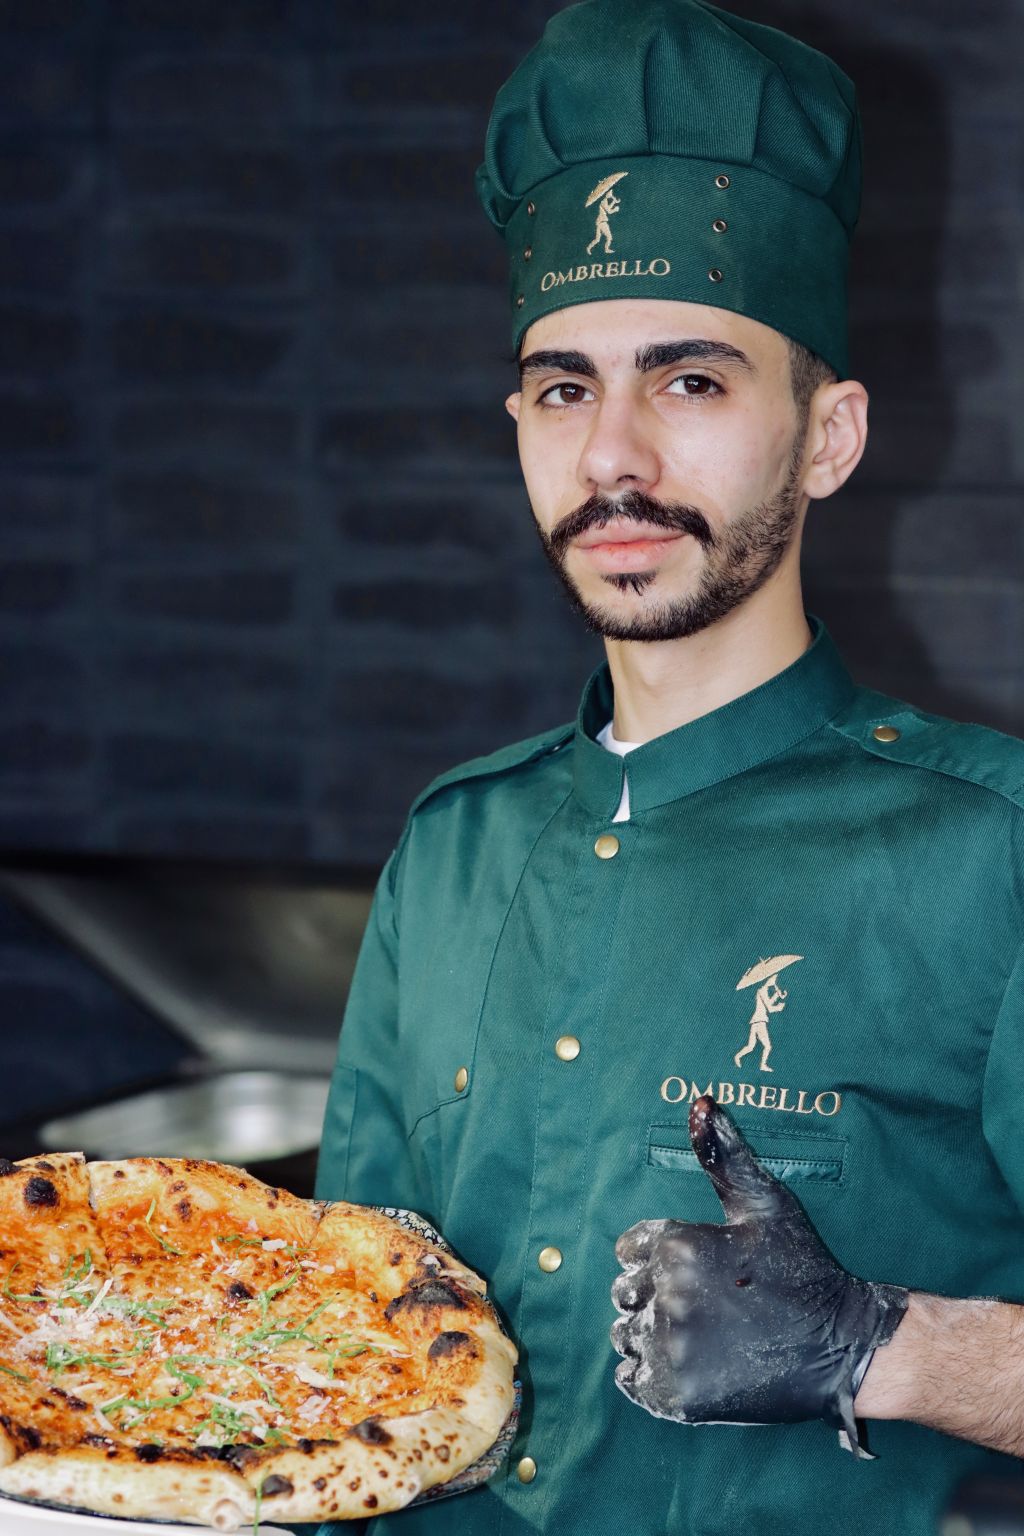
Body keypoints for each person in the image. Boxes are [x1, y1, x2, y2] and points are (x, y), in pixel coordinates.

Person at [312, 1, 1024, 1532]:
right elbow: (332, 1329)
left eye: (691, 380)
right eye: (565, 388)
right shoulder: (451, 848)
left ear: (827, 438)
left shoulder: (993, 855)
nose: (614, 457)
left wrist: (883, 1347)